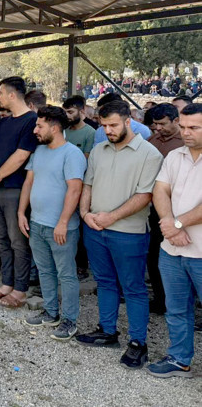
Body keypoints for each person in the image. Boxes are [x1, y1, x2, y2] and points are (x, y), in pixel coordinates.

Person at [76, 101, 163, 370]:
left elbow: (145, 195)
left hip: (129, 233)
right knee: (104, 281)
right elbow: (87, 184)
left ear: (129, 121)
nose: (108, 130)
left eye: (113, 125)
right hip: (96, 229)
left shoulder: (150, 154)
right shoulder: (100, 150)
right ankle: (107, 330)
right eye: (103, 126)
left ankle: (138, 343)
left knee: (133, 288)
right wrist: (85, 214)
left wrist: (110, 217)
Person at [18, 106, 86, 341]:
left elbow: (75, 189)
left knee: (66, 274)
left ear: (55, 128)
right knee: (45, 270)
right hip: (37, 223)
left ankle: (69, 320)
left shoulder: (71, 154)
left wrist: (63, 222)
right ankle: (51, 313)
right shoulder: (39, 151)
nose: (35, 130)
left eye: (40, 126)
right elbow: (29, 183)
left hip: (61, 227)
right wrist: (21, 212)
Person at [149, 103, 202, 378]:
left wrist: (177, 223)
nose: (186, 132)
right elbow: (160, 190)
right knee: (176, 309)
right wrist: (170, 225)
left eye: (193, 127)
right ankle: (180, 359)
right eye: (182, 127)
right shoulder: (174, 156)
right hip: (172, 250)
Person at [0, 77, 38, 308]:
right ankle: (6, 284)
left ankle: (20, 289)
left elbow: (22, 155)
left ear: (12, 95)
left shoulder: (31, 120)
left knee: (18, 242)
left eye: (1, 93)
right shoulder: (2, 122)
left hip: (14, 188)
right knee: (2, 239)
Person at [146, 103, 184, 315]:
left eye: (162, 124)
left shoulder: (186, 144)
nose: (157, 128)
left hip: (182, 212)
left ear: (176, 121)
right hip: (156, 211)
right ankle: (161, 300)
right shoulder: (151, 141)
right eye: (155, 124)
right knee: (155, 257)